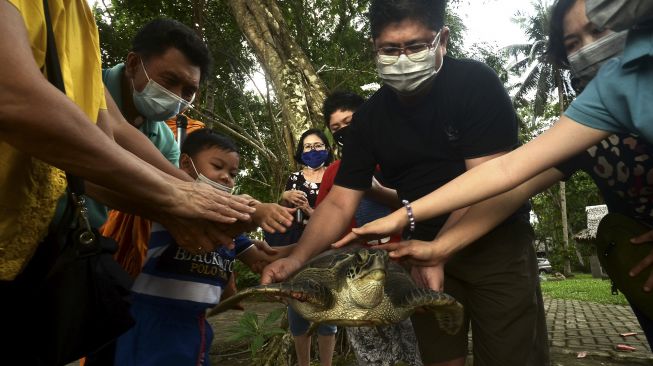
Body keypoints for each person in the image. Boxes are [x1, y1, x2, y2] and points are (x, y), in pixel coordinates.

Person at [262, 1, 550, 365]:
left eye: (415, 46)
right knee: (441, 356)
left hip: (494, 241)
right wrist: (298, 260)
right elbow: (339, 202)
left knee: (511, 355)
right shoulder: (368, 121)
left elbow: (488, 181)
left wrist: (442, 248)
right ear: (374, 48)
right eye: (390, 49)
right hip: (420, 249)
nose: (402, 59)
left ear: (442, 40)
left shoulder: (475, 85)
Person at [356, 0, 653, 350]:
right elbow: (508, 173)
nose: (589, 49)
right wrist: (422, 231)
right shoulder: (608, 94)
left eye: (599, 30)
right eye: (573, 43)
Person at [0, 1, 254, 362]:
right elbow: (14, 97)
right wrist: (175, 195)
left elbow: (99, 152)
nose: (177, 99)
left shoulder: (82, 23)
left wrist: (183, 203)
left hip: (50, 259)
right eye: (170, 81)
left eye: (189, 91)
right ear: (134, 64)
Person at [115, 129, 294, 366]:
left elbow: (263, 256)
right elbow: (236, 214)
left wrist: (320, 245)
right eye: (217, 167)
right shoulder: (175, 204)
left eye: (232, 173)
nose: (226, 178)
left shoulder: (227, 228)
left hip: (196, 325)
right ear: (187, 164)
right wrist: (258, 210)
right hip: (150, 322)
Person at [318, 91, 421, 366]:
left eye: (349, 122)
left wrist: (378, 191)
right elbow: (325, 222)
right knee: (373, 357)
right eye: (336, 129)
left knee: (416, 349)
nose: (343, 132)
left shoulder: (399, 158)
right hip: (357, 281)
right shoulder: (333, 173)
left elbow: (424, 203)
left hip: (405, 271)